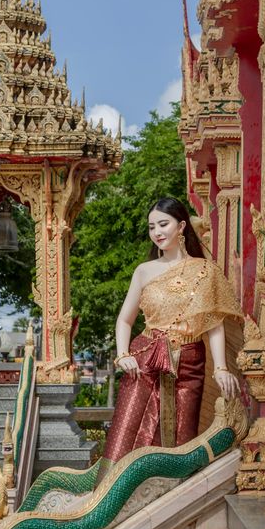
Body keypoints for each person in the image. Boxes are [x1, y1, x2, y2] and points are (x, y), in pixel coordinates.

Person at [99, 197, 243, 477]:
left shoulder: (205, 271)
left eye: (163, 224)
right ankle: (111, 493)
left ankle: (169, 495)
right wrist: (123, 354)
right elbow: (124, 320)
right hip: (144, 360)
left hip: (189, 360)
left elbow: (213, 324)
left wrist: (222, 368)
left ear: (182, 226)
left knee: (180, 433)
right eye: (152, 227)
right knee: (128, 432)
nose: (157, 232)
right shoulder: (144, 271)